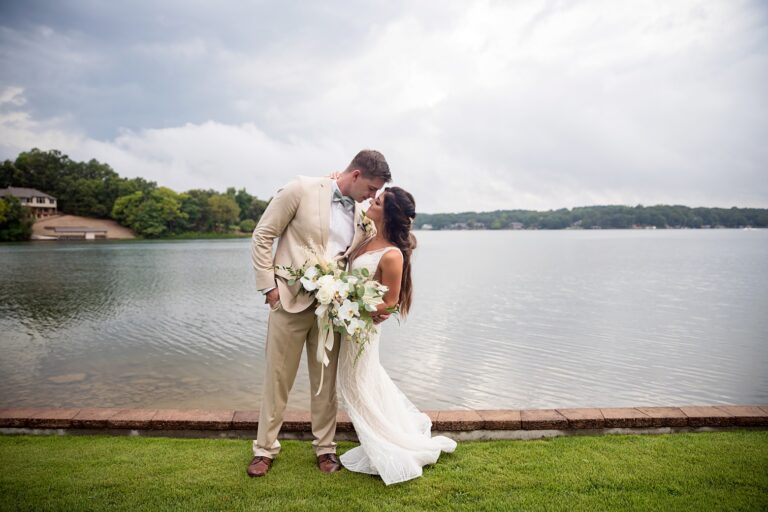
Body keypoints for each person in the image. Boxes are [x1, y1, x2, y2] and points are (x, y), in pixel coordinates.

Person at [247, 150, 391, 477]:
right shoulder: (301, 188)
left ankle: (325, 449)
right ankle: (264, 449)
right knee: (277, 378)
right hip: (288, 299)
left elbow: (368, 257)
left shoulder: (363, 219)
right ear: (355, 175)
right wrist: (269, 288)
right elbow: (263, 235)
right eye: (370, 188)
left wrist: (372, 302)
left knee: (325, 382)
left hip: (333, 308)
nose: (372, 196)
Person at [338, 186, 457, 485]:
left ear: (387, 213)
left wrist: (348, 303)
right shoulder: (365, 237)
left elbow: (390, 303)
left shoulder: (392, 256)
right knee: (362, 383)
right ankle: (377, 435)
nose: (370, 202)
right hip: (349, 324)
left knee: (359, 384)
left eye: (376, 202)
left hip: (362, 329)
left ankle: (384, 444)